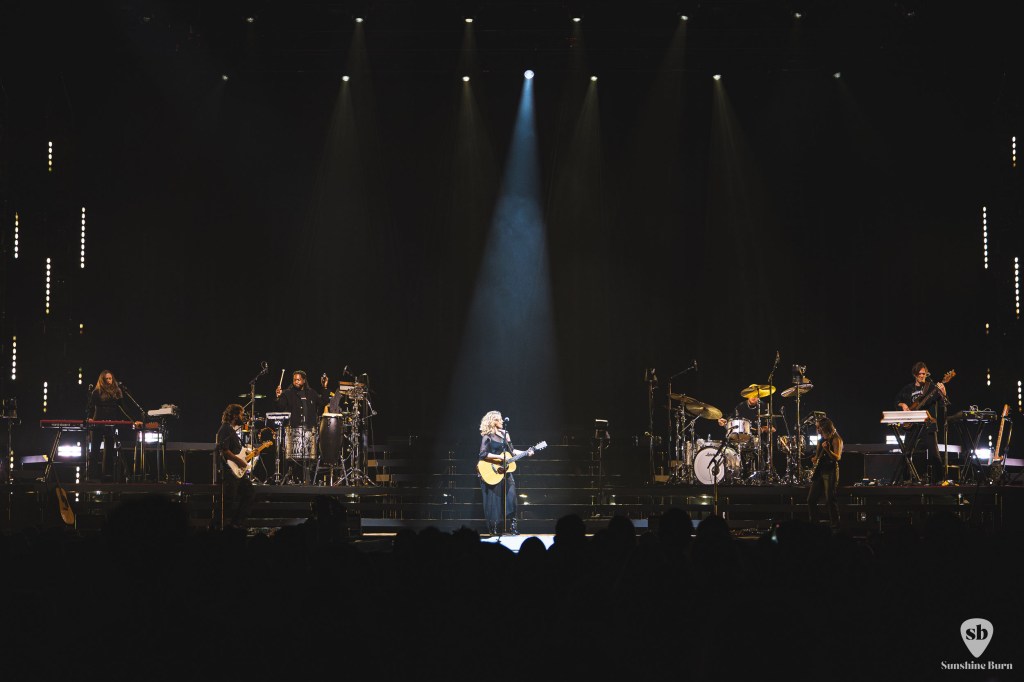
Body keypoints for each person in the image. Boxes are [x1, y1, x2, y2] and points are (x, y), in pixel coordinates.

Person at [477, 410, 535, 536]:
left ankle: (513, 525)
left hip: (506, 471)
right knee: (495, 499)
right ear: (493, 421)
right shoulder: (487, 436)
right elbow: (483, 454)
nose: (502, 421)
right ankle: (495, 526)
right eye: (499, 419)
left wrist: (526, 452)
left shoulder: (505, 434)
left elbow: (512, 451)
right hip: (494, 470)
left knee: (511, 496)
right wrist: (500, 458)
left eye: (502, 419)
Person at [894, 361, 948, 484]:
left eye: (924, 374)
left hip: (928, 425)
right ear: (914, 374)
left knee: (934, 454)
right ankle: (906, 479)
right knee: (907, 453)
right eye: (920, 374)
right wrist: (902, 404)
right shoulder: (908, 389)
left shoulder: (932, 387)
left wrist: (943, 392)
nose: (923, 376)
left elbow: (943, 403)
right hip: (912, 425)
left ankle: (940, 479)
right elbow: (896, 400)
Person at [85, 370, 139, 482]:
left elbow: (124, 407)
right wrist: (90, 418)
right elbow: (91, 407)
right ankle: (93, 476)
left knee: (109, 450)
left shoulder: (117, 391)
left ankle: (106, 475)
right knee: (95, 450)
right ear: (102, 380)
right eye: (107, 379)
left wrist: (133, 420)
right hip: (98, 422)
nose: (109, 381)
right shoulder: (96, 392)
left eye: (110, 378)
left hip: (111, 423)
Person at [275, 370, 329, 474]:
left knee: (308, 461)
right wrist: (278, 397)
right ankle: (290, 478)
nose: (296, 382)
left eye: (299, 380)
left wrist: (324, 388)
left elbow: (323, 402)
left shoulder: (312, 393)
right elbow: (280, 407)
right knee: (293, 459)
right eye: (294, 380)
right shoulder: (287, 393)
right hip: (293, 430)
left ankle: (307, 481)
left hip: (309, 430)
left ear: (304, 380)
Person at [216, 403, 256, 530]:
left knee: (249, 493)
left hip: (237, 470)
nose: (242, 417)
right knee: (229, 501)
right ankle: (218, 526)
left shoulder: (232, 430)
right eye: (240, 414)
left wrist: (251, 454)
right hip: (229, 471)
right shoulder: (225, 429)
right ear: (234, 415)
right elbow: (224, 450)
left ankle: (236, 523)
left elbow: (238, 452)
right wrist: (240, 462)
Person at [807, 416, 842, 529]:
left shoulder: (836, 439)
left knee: (830, 499)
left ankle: (835, 526)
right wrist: (815, 458)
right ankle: (814, 525)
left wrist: (828, 449)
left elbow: (837, 457)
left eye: (818, 428)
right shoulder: (821, 439)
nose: (817, 430)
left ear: (825, 427)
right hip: (820, 470)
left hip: (830, 470)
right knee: (811, 499)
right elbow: (817, 457)